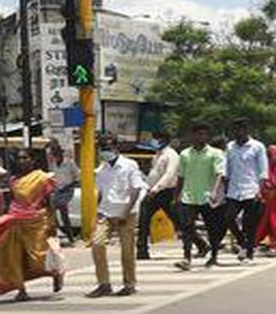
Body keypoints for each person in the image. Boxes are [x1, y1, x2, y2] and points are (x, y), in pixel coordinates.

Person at [0, 150, 63, 300]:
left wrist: (53, 222)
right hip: (16, 221)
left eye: (25, 157)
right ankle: (21, 290)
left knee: (39, 258)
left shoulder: (42, 177)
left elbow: (50, 202)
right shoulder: (13, 180)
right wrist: (1, 219)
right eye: (19, 158)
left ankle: (55, 273)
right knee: (13, 257)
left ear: (32, 160)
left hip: (38, 221)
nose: (22, 161)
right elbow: (10, 201)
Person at [88, 133, 146, 297]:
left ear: (116, 147)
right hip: (106, 212)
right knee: (97, 245)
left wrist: (125, 213)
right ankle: (104, 283)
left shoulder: (129, 165)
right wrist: (97, 213)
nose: (104, 151)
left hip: (126, 213)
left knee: (127, 251)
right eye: (102, 148)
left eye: (107, 148)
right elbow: (100, 193)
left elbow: (135, 189)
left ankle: (129, 284)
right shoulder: (101, 169)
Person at [138, 130, 207, 260]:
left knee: (180, 222)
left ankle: (201, 244)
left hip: (168, 192)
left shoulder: (172, 155)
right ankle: (142, 250)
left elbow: (169, 175)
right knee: (144, 219)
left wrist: (156, 189)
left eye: (156, 139)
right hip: (154, 192)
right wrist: (148, 188)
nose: (153, 141)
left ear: (164, 140)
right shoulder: (157, 155)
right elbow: (154, 173)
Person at [174, 125, 225, 270]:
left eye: (204, 134)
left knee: (212, 228)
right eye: (198, 134)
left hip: (207, 196)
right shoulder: (184, 154)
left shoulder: (215, 153)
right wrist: (176, 195)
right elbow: (181, 176)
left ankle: (213, 256)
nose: (201, 137)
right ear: (192, 135)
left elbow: (219, 174)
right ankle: (186, 257)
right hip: (189, 196)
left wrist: (215, 191)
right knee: (187, 227)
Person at [223, 118, 267, 264]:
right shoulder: (230, 147)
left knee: (250, 224)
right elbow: (226, 169)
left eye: (240, 129)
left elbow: (262, 170)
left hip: (251, 189)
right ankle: (243, 242)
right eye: (235, 130)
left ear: (247, 130)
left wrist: (260, 190)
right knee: (229, 217)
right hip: (234, 190)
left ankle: (249, 253)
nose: (237, 132)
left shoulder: (257, 147)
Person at [46, 142, 79, 246]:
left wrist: (68, 186)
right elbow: (53, 176)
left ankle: (69, 237)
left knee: (61, 207)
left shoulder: (70, 163)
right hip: (57, 190)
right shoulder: (53, 164)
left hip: (67, 189)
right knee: (51, 210)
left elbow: (77, 178)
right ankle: (61, 233)